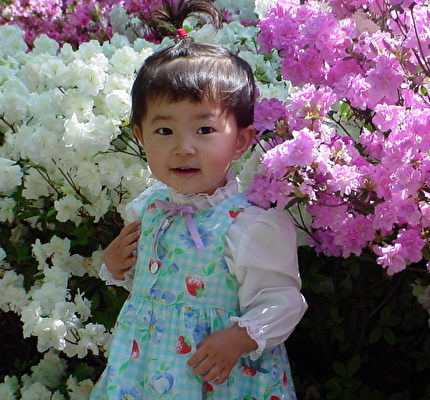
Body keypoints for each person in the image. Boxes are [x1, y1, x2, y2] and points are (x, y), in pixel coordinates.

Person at [90, 1, 307, 398]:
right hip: (143, 370)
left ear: (240, 140)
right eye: (164, 131)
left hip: (218, 377)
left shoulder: (248, 225)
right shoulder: (148, 208)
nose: (183, 148)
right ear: (140, 136)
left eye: (204, 130)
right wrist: (117, 265)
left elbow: (282, 301)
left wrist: (239, 338)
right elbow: (153, 285)